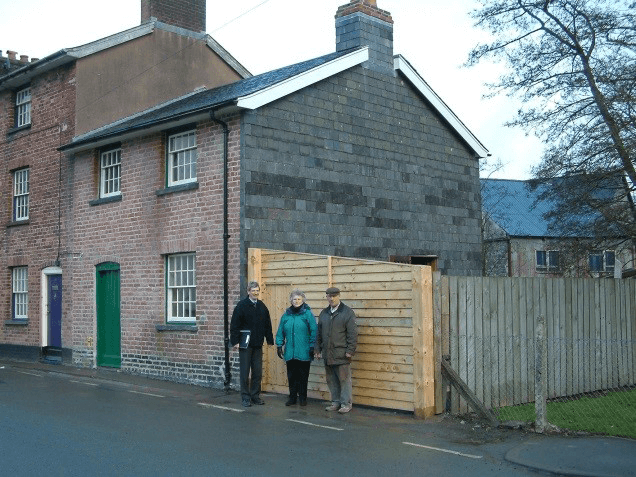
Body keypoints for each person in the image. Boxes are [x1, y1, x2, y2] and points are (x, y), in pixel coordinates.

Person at [230, 281, 274, 407]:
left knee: (258, 372)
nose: (255, 293)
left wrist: (269, 340)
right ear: (248, 291)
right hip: (245, 344)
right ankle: (245, 397)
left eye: (257, 291)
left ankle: (255, 396)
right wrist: (235, 341)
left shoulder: (261, 306)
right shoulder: (241, 306)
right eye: (253, 291)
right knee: (245, 372)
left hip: (257, 344)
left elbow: (267, 324)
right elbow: (234, 325)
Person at [315, 287, 358, 413]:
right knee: (331, 379)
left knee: (344, 380)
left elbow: (352, 334)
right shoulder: (324, 313)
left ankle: (346, 404)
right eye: (329, 296)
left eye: (334, 296)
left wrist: (350, 350)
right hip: (327, 353)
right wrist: (317, 349)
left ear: (339, 296)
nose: (332, 298)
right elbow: (319, 333)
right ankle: (335, 402)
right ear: (327, 297)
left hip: (342, 353)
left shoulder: (348, 313)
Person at [275, 289, 317, 407]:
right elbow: (280, 331)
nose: (297, 301)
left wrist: (312, 346)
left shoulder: (307, 314)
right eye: (294, 299)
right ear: (291, 300)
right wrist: (279, 345)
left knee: (303, 376)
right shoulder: (286, 315)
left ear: (302, 300)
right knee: (292, 376)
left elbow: (314, 330)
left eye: (299, 299)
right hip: (290, 352)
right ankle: (292, 397)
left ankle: (303, 398)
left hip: (304, 351)